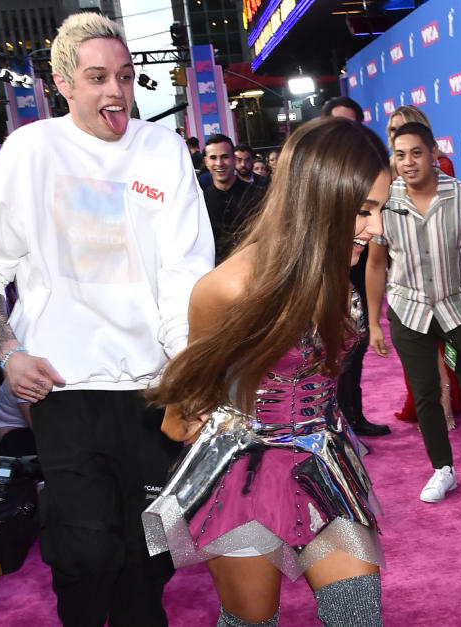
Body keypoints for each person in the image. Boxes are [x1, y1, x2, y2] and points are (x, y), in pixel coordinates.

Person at [0, 12, 214, 625]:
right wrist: (10, 351)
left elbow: (184, 271)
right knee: (86, 551)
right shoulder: (32, 150)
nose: (115, 92)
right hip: (64, 386)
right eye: (96, 78)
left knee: (151, 553)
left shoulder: (164, 150)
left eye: (123, 76)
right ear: (63, 83)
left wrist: (186, 369)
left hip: (153, 385)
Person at [142, 116, 389, 627]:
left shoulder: (338, 266)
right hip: (243, 475)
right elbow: (178, 415)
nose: (377, 228)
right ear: (318, 201)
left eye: (382, 209)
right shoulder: (227, 289)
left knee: (358, 613)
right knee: (251, 621)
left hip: (323, 458)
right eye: (363, 211)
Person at [366, 121, 461, 502]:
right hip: (407, 309)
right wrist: (372, 322)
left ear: (435, 153)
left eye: (416, 152)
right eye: (400, 155)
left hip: (457, 306)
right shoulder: (385, 200)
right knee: (425, 393)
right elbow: (374, 265)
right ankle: (442, 468)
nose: (408, 162)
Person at [384, 104, 461, 428]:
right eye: (393, 131)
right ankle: (437, 400)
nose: (400, 136)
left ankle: (448, 396)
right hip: (404, 271)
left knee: (444, 340)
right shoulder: (387, 174)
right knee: (420, 344)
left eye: (405, 128)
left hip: (440, 270)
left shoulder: (443, 166)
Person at [320, 96, 391, 437]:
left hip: (356, 275)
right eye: (364, 211)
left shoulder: (377, 180)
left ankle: (352, 416)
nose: (376, 226)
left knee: (354, 347)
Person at [203, 133, 264, 263]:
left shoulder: (258, 195)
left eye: (225, 157)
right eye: (213, 158)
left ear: (234, 160)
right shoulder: (201, 202)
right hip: (216, 273)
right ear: (206, 162)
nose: (219, 163)